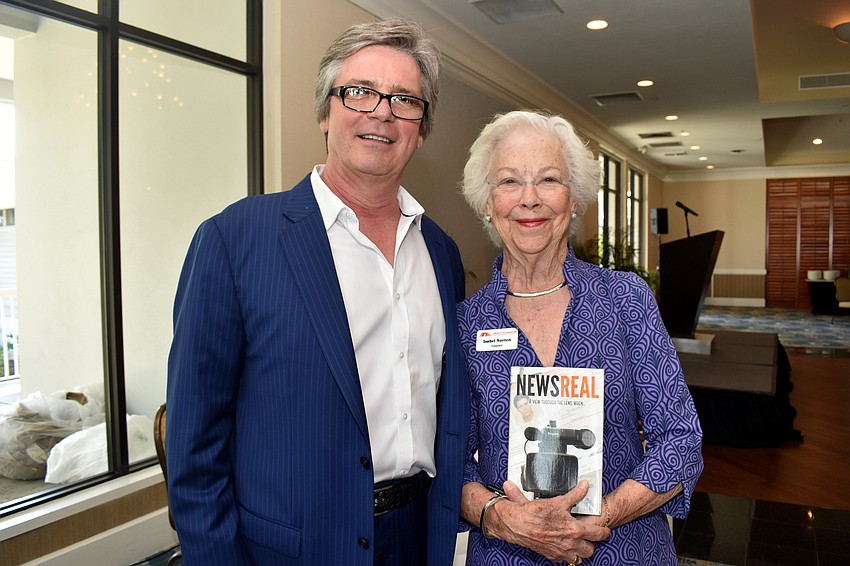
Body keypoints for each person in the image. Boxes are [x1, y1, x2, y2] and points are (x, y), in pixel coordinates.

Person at [166, 18, 469, 566]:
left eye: (405, 100)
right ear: (325, 112)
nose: (382, 111)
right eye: (360, 92)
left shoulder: (441, 254)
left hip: (420, 535)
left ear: (421, 130)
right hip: (293, 547)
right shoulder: (234, 241)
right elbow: (194, 447)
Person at [457, 110, 703, 565]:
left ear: (574, 199)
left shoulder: (625, 300)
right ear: (487, 204)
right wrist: (497, 515)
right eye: (509, 182)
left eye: (549, 179)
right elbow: (449, 465)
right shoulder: (465, 324)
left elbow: (681, 439)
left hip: (624, 550)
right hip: (508, 553)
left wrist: (602, 515)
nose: (529, 199)